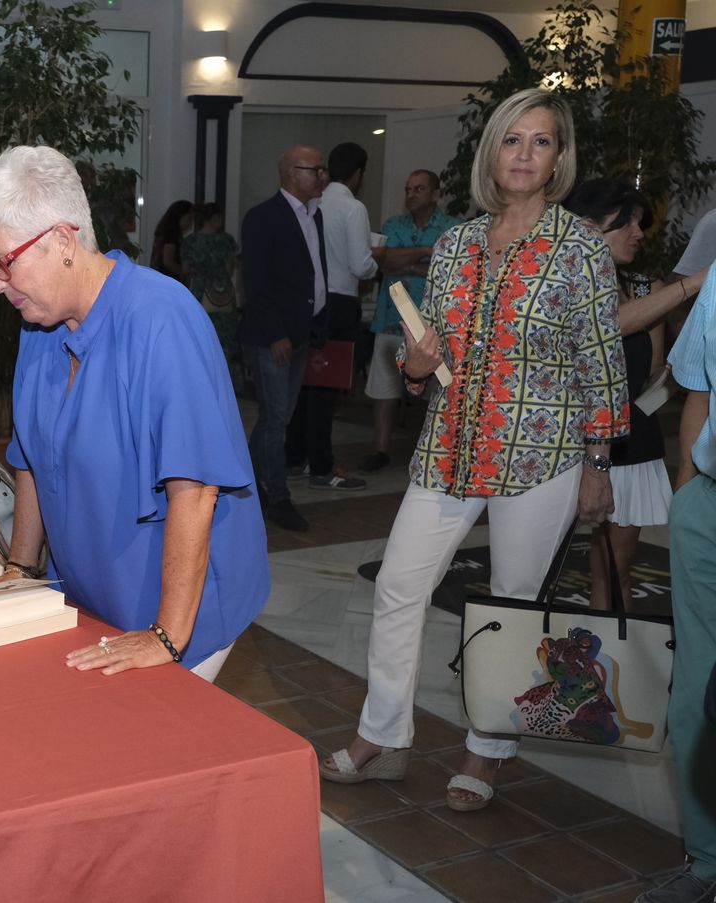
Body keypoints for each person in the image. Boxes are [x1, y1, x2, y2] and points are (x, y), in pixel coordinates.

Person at [317, 89, 629, 812]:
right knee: (398, 584)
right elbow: (430, 362)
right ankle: (383, 736)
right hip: (450, 447)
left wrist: (598, 463)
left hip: (542, 454)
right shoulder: (456, 243)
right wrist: (418, 368)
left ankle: (486, 750)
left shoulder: (579, 247)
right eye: (512, 140)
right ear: (493, 151)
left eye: (540, 142)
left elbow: (601, 362)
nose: (524, 154)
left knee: (512, 607)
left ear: (558, 157)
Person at [0, 145, 270, 683]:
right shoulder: (39, 322)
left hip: (179, 610)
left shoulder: (162, 319)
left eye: (4, 263)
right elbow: (31, 459)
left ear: (62, 240)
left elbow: (195, 491)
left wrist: (167, 636)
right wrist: (21, 570)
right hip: (89, 597)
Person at [565, 179, 706, 609]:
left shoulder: (647, 288)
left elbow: (654, 374)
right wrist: (698, 280)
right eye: (625, 224)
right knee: (536, 568)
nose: (639, 233)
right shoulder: (563, 286)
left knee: (615, 568)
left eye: (640, 224)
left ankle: (608, 667)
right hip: (567, 439)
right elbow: (611, 323)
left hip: (630, 437)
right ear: (589, 229)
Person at [649, 267, 716, 903]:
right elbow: (696, 387)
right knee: (696, 688)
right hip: (709, 509)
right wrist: (687, 488)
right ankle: (706, 862)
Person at [239, 145, 330, 532]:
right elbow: (256, 284)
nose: (323, 176)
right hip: (271, 337)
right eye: (317, 169)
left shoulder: (315, 215)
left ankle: (243, 476)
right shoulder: (263, 217)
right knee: (277, 419)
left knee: (278, 417)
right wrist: (277, 334)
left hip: (300, 335)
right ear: (293, 173)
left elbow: (314, 275)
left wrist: (315, 330)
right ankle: (275, 497)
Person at [286, 141, 375, 493]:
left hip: (312, 302)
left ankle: (294, 458)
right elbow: (360, 265)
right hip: (340, 305)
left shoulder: (314, 204)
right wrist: (376, 261)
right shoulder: (353, 209)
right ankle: (322, 466)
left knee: (304, 386)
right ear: (358, 174)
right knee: (326, 391)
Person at [362, 169, 458, 473]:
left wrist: (406, 263)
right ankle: (380, 450)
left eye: (418, 189)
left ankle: (433, 452)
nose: (411, 194)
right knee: (384, 390)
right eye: (407, 189)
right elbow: (384, 261)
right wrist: (423, 253)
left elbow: (449, 271)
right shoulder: (393, 225)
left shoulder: (452, 229)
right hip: (391, 319)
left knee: (435, 393)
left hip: (432, 326)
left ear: (435, 193)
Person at [178, 203, 244, 394]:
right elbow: (231, 267)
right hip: (223, 294)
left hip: (198, 295)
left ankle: (200, 387)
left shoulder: (190, 241)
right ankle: (229, 388)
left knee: (199, 341)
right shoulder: (226, 241)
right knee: (226, 344)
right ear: (214, 218)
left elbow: (185, 269)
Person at [148, 199, 193, 282]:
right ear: (180, 216)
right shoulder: (171, 235)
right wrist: (182, 274)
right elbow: (168, 261)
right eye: (189, 219)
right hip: (168, 278)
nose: (191, 223)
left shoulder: (165, 232)